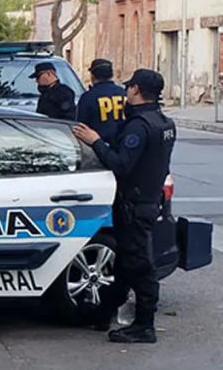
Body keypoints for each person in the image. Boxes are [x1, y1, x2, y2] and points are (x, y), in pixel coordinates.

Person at [72, 69, 176, 344]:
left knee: (139, 266)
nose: (126, 90)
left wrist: (95, 142)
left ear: (136, 90)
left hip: (134, 204)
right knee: (125, 264)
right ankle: (103, 314)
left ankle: (144, 325)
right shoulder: (164, 122)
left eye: (129, 86)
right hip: (146, 201)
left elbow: (121, 164)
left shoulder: (139, 126)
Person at [76, 58, 127, 143]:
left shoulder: (88, 97)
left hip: (98, 146)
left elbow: (81, 127)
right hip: (123, 144)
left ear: (92, 76)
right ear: (111, 75)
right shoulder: (124, 93)